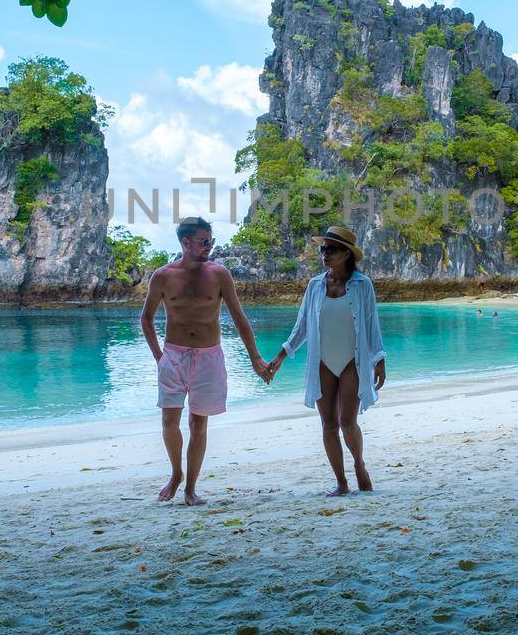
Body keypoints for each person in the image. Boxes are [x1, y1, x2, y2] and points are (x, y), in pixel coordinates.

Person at [140, 216, 274, 505]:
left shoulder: (219, 274)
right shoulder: (163, 276)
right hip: (173, 356)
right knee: (169, 420)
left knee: (198, 424)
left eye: (211, 241)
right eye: (203, 242)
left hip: (209, 356)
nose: (209, 247)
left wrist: (255, 359)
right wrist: (159, 358)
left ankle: (190, 487)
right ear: (185, 242)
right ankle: (176, 473)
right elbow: (146, 319)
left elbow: (239, 318)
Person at [267, 225, 388, 496]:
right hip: (322, 361)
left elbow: (371, 324)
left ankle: (359, 464)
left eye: (331, 249)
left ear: (347, 254)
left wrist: (379, 359)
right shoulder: (315, 286)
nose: (325, 253)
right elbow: (301, 327)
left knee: (347, 421)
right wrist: (280, 357)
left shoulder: (362, 285)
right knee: (328, 424)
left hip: (352, 361)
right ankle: (341, 482)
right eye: (323, 248)